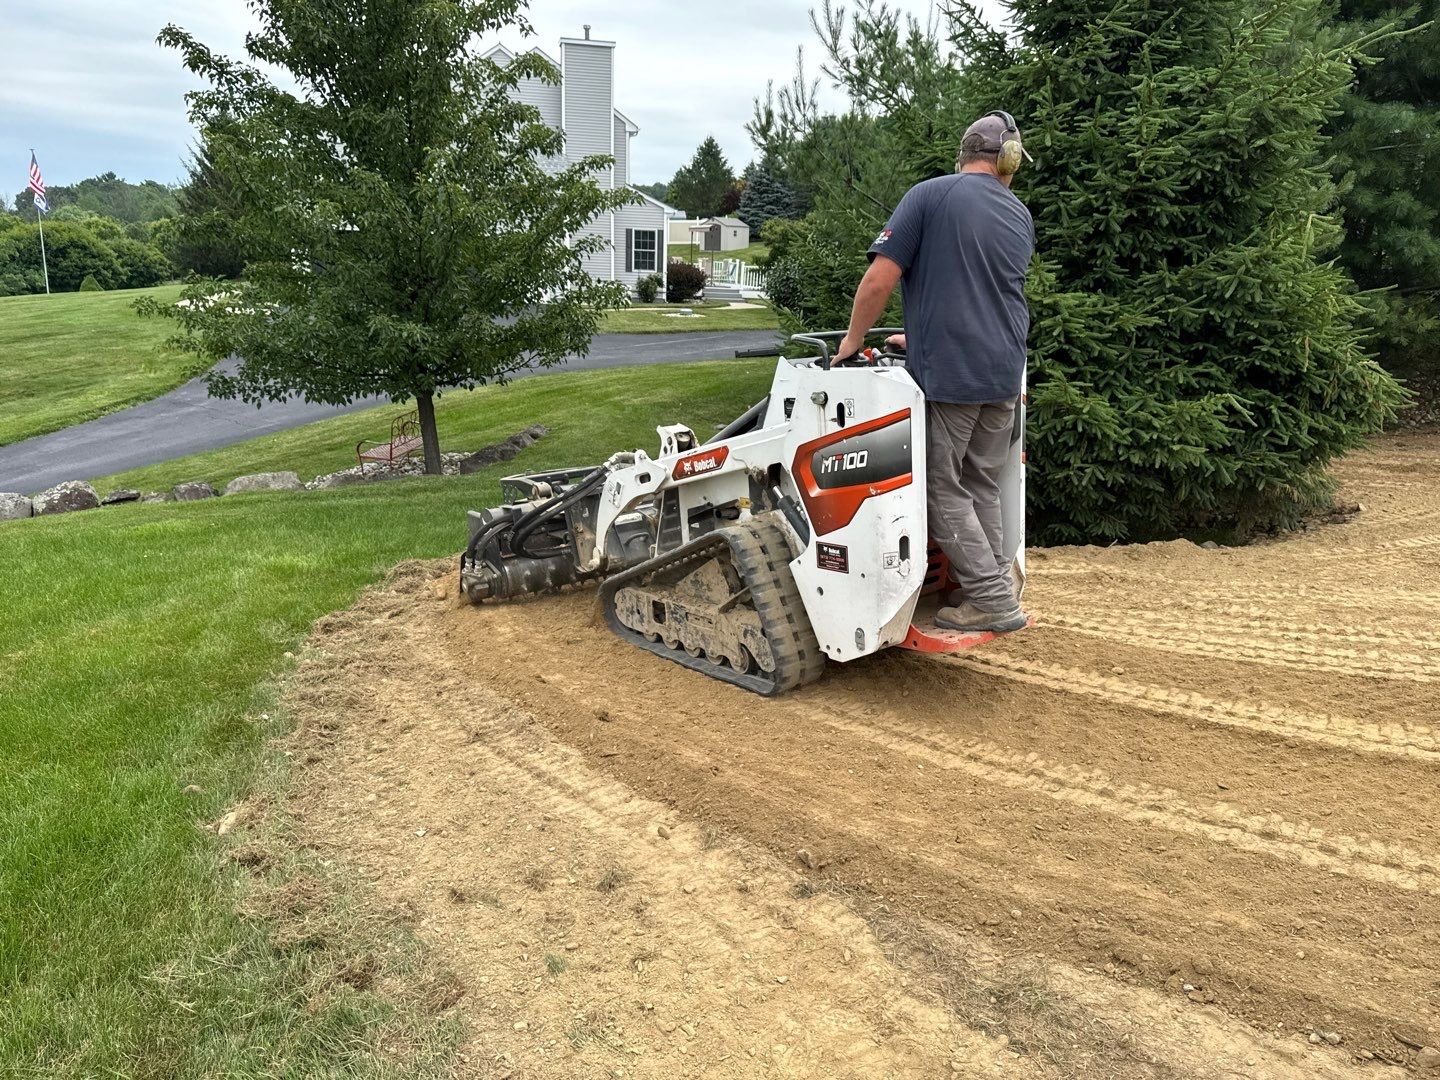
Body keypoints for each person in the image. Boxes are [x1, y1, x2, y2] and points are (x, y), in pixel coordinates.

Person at [835, 111, 1035, 634]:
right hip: (1003, 373)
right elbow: (980, 292)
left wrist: (852, 343)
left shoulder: (930, 195)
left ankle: (992, 601)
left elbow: (880, 279)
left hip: (954, 377)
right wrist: (918, 336)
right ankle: (985, 592)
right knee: (982, 484)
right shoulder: (1018, 214)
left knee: (940, 489)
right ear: (1008, 160)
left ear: (964, 154)